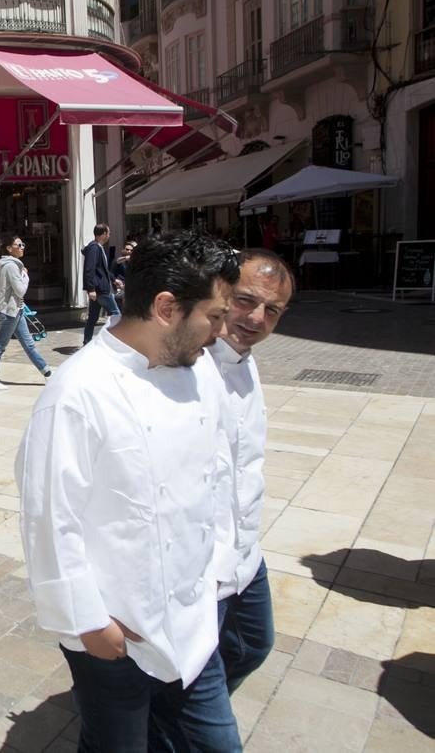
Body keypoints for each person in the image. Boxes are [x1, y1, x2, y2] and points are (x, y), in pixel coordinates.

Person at [15, 231, 241, 751]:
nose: (222, 330)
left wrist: (219, 567)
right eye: (214, 315)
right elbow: (49, 518)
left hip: (193, 617)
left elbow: (217, 473)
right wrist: (90, 623)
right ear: (167, 308)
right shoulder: (77, 391)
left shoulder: (200, 369)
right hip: (118, 633)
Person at [211, 249, 293, 694]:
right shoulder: (189, 364)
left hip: (246, 553)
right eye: (245, 300)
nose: (256, 318)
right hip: (204, 564)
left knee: (253, 645)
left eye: (272, 310)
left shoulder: (248, 364)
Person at [0, 236, 51, 389]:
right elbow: (20, 291)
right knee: (0, 345)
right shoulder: (11, 266)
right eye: (19, 245)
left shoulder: (11, 264)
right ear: (9, 248)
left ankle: (47, 373)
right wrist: (25, 276)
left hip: (16, 310)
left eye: (23, 244)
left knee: (29, 345)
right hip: (10, 312)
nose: (22, 247)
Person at [82, 224, 120, 345]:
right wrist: (91, 288)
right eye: (108, 233)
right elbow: (89, 269)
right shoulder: (94, 248)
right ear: (103, 234)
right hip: (100, 289)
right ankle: (111, 342)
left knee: (92, 318)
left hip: (98, 288)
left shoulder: (98, 247)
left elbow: (102, 269)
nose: (109, 235)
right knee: (116, 315)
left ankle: (87, 342)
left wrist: (114, 279)